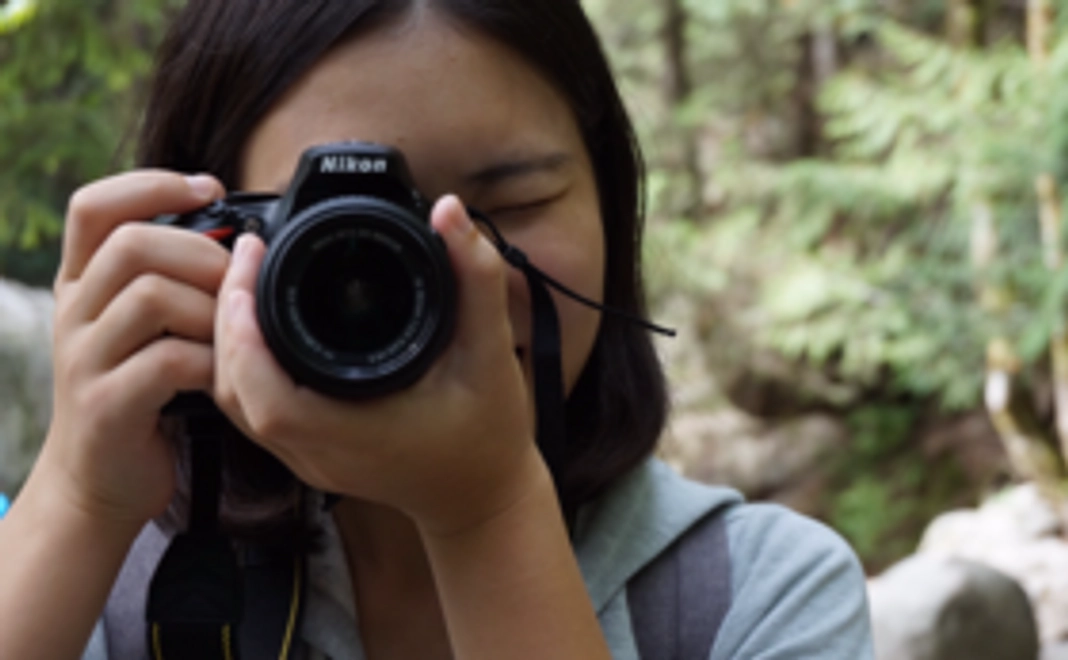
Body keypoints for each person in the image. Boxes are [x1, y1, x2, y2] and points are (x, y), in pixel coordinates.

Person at [0, 1, 875, 658]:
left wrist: (485, 509)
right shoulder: (107, 579)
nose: (458, 274)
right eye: (342, 229)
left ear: (613, 206)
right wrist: (80, 495)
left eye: (511, 205)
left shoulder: (758, 595)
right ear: (209, 240)